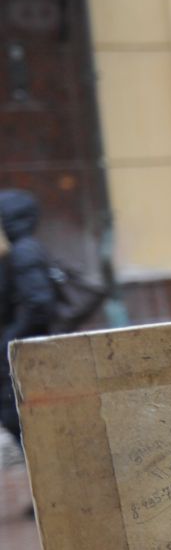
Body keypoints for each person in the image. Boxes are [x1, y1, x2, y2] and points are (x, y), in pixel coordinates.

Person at [0, 190, 56, 457]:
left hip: (25, 358)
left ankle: (55, 494)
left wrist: (8, 339)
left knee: (25, 424)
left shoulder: (23, 251)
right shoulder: (16, 250)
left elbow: (39, 304)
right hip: (20, 356)